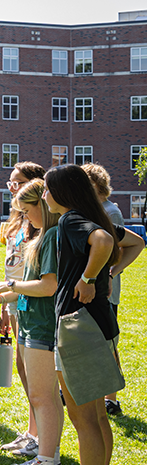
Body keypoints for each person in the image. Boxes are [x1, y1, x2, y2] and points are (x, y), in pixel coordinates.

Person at [41, 164, 143, 465]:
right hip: (97, 323)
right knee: (97, 417)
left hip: (77, 325)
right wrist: (109, 272)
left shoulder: (71, 221)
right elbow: (136, 242)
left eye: (47, 189)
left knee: (83, 417)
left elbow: (102, 242)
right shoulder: (91, 215)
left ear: (63, 193)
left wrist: (89, 276)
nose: (43, 196)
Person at [0, 180, 63, 465]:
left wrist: (10, 287)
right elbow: (33, 285)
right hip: (31, 322)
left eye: (27, 211)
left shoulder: (51, 236)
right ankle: (47, 458)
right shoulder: (43, 235)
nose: (26, 219)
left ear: (42, 205)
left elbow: (48, 286)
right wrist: (0, 298)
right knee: (45, 397)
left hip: (43, 325)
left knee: (42, 397)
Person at [0, 162, 46, 455]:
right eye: (10, 183)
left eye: (17, 183)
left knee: (31, 368)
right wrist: (4, 303)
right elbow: (11, 263)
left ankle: (39, 436)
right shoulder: (16, 218)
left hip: (31, 298)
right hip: (14, 298)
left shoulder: (37, 220)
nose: (12, 187)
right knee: (22, 365)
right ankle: (33, 431)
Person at [83, 163, 128, 417]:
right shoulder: (87, 210)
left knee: (108, 343)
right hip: (89, 284)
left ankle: (112, 398)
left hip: (106, 288)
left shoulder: (111, 212)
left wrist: (112, 272)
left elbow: (120, 250)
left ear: (97, 185)